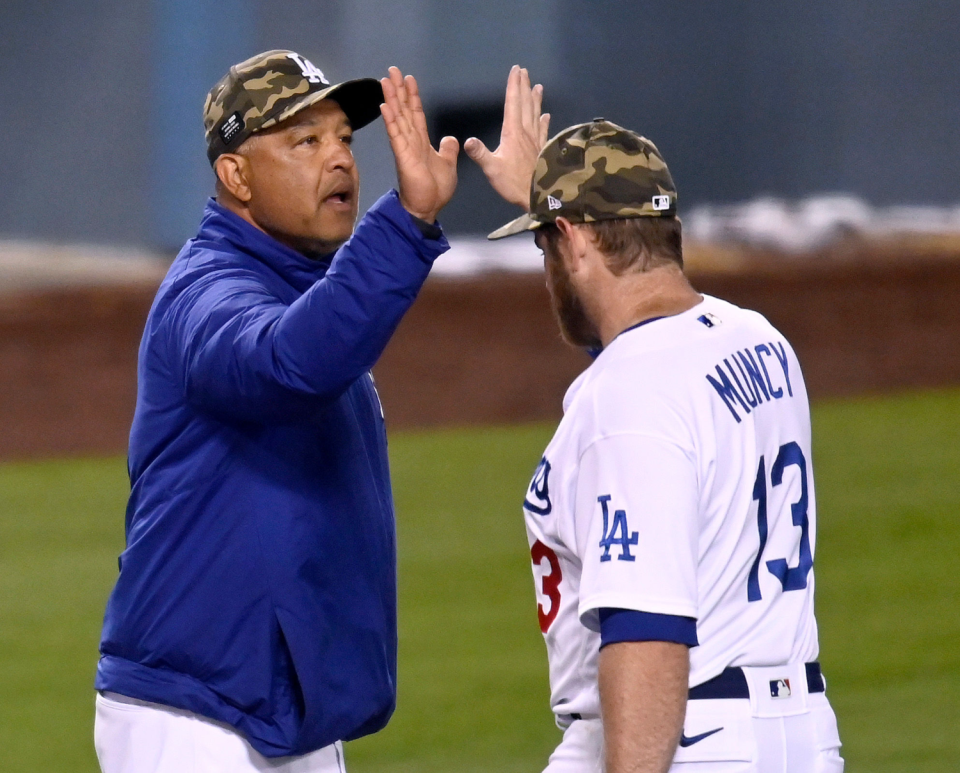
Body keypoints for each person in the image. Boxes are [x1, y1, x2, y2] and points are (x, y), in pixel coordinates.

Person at [93, 50, 458, 773]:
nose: (341, 162)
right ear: (236, 175)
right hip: (192, 715)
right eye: (305, 141)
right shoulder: (206, 294)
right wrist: (406, 224)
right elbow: (288, 364)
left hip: (285, 710)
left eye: (346, 140)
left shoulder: (301, 291)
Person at [467, 72, 844, 773]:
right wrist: (547, 200)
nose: (546, 262)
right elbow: (646, 358)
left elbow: (648, 632)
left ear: (575, 242)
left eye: (546, 243)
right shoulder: (756, 339)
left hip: (683, 740)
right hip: (800, 732)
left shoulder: (627, 397)